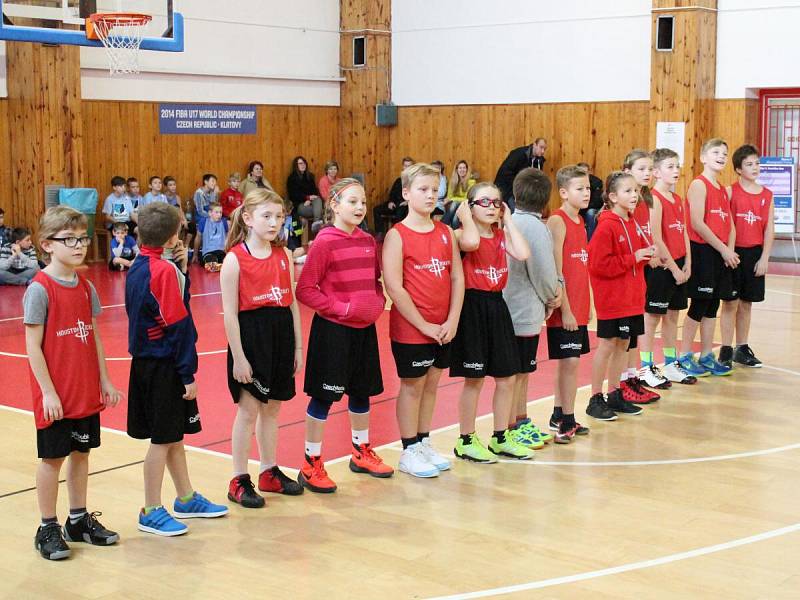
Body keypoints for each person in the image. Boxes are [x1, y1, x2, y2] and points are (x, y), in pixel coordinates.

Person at [25, 206, 123, 560]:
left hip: (84, 391)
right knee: (53, 458)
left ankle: (78, 520)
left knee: (82, 453)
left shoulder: (85, 286)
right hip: (56, 395)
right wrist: (48, 391)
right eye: (70, 239)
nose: (79, 245)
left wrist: (105, 380)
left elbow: (93, 335)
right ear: (47, 244)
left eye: (82, 238)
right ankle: (47, 526)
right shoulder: (40, 289)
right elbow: (32, 346)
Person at [126, 202, 228, 536]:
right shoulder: (163, 272)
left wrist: (180, 268)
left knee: (173, 436)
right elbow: (178, 326)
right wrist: (187, 373)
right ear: (173, 236)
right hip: (164, 365)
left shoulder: (140, 267)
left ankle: (185, 497)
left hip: (147, 363)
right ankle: (151, 509)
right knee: (162, 439)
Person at [295, 178, 393, 492]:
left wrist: (376, 303)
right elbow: (305, 289)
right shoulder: (324, 241)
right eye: (352, 202)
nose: (360, 208)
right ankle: (311, 463)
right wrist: (342, 308)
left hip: (364, 332)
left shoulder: (367, 240)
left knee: (361, 393)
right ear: (334, 204)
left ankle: (361, 451)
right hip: (333, 332)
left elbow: (375, 282)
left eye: (363, 202)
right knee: (323, 397)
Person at [222, 189, 304, 508]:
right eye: (266, 216)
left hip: (280, 335)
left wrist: (297, 347)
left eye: (279, 216)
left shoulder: (284, 256)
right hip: (252, 338)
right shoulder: (234, 260)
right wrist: (239, 357)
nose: (274, 223)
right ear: (248, 218)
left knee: (273, 408)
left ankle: (269, 469)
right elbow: (230, 313)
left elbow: (292, 303)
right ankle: (239, 478)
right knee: (248, 410)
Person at [382, 163, 464, 478]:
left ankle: (424, 440)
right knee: (412, 386)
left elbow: (457, 277)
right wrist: (424, 325)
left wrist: (453, 319)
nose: (430, 196)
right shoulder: (397, 235)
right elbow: (395, 287)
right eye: (423, 190)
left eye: (434, 190)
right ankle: (408, 449)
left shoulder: (445, 232)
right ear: (406, 193)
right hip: (412, 329)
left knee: (432, 385)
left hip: (443, 327)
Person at [451, 183, 534, 462]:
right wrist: (464, 216)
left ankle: (500, 437)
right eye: (483, 202)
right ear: (469, 206)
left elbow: (523, 253)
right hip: (472, 307)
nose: (491, 207)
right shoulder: (462, 234)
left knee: (507, 376)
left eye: (496, 202)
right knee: (473, 379)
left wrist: (508, 220)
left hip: (497, 304)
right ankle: (466, 439)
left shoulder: (501, 234)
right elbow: (472, 243)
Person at [586, 172, 654, 420]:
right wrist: (633, 258)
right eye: (628, 191)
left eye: (635, 190)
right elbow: (597, 265)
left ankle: (615, 393)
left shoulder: (631, 221)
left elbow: (632, 260)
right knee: (608, 345)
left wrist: (646, 256)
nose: (634, 195)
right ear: (613, 196)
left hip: (632, 297)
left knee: (624, 344)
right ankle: (595, 398)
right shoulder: (607, 225)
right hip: (613, 299)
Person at [503, 168, 560, 448]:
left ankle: (518, 420)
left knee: (517, 372)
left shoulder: (509, 222)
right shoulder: (536, 228)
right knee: (519, 373)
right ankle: (514, 424)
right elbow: (543, 271)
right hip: (524, 310)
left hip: (508, 307)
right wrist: (553, 296)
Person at [677, 138, 738, 377]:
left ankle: (705, 355)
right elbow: (697, 223)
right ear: (703, 157)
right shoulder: (699, 185)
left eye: (724, 153)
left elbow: (730, 224)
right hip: (703, 250)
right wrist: (723, 249)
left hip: (720, 252)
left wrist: (729, 250)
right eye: (716, 152)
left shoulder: (722, 189)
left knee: (713, 304)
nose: (721, 156)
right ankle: (684, 355)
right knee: (700, 302)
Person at [638, 148, 696, 386]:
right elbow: (657, 238)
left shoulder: (678, 199)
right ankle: (645, 367)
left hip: (680, 264)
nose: (676, 171)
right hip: (663, 267)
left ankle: (671, 364)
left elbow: (683, 233)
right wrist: (673, 267)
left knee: (673, 316)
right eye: (670, 167)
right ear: (657, 172)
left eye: (677, 166)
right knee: (652, 318)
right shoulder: (654, 199)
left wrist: (688, 263)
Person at [545, 166, 595, 439]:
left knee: (568, 363)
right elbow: (556, 267)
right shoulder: (558, 220)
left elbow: (580, 266)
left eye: (587, 188)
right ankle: (567, 418)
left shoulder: (581, 221)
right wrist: (564, 308)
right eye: (580, 188)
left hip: (578, 306)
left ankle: (558, 413)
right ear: (564, 192)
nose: (586, 193)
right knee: (571, 363)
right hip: (566, 309)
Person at [718, 144, 774, 369]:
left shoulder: (766, 195)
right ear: (738, 169)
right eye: (749, 164)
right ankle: (725, 348)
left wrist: (765, 258)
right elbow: (724, 223)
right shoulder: (730, 192)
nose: (755, 167)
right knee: (730, 303)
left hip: (754, 253)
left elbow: (769, 228)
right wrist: (726, 250)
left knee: (747, 303)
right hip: (733, 253)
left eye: (757, 163)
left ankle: (742, 348)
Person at [619, 150, 663, 402]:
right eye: (641, 169)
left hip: (641, 275)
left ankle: (633, 377)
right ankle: (622, 381)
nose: (647, 173)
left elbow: (647, 235)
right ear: (627, 171)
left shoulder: (645, 201)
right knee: (624, 335)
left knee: (635, 331)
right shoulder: (619, 209)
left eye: (649, 169)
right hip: (627, 275)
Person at [494, 137, 547, 208]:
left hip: (522, 192)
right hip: (507, 188)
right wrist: (518, 186)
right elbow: (505, 171)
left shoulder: (539, 161)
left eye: (544, 149)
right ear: (534, 145)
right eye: (541, 147)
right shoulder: (519, 154)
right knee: (514, 210)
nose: (543, 151)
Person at [373, 156, 414, 236]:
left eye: (409, 166)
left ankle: (397, 234)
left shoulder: (414, 180)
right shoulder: (399, 180)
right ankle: (380, 233)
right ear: (403, 166)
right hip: (394, 203)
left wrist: (407, 202)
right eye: (405, 165)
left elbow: (415, 195)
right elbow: (392, 193)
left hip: (406, 205)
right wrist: (391, 201)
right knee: (377, 209)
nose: (407, 167)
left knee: (400, 211)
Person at [286, 156, 322, 227]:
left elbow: (314, 191)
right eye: (300, 163)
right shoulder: (292, 178)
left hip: (312, 202)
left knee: (318, 199)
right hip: (300, 205)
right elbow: (293, 195)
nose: (303, 165)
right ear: (296, 166)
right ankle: (317, 223)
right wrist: (307, 198)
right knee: (320, 211)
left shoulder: (310, 176)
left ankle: (316, 223)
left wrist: (309, 200)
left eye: (304, 163)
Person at [192, 174, 219, 263]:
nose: (214, 183)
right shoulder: (198, 193)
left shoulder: (212, 192)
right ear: (206, 182)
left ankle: (215, 252)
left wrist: (215, 194)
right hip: (201, 216)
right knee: (206, 228)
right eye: (212, 181)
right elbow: (200, 211)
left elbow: (214, 206)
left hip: (211, 215)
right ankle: (196, 255)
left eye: (215, 182)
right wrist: (211, 217)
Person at [576, 162, 604, 239]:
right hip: (580, 208)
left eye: (585, 172)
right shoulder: (574, 183)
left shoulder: (596, 182)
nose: (583, 175)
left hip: (594, 209)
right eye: (580, 173)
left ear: (589, 172)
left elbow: (597, 202)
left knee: (590, 213)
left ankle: (590, 242)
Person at [201, 203, 229, 271]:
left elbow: (228, 236)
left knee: (227, 261)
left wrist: (228, 250)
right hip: (209, 252)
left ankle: (220, 266)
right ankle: (216, 266)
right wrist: (195, 255)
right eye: (216, 212)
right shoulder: (204, 221)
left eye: (220, 212)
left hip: (221, 251)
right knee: (211, 261)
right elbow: (198, 238)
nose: (219, 214)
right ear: (210, 213)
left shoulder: (224, 222)